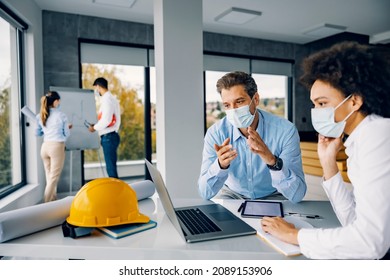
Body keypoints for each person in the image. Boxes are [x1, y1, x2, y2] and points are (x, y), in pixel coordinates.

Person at [261, 41, 390, 259]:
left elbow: (370, 243)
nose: (316, 112)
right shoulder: (359, 138)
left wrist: (295, 235)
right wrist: (328, 163)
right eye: (314, 105)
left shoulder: (377, 134)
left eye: (322, 103)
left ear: (355, 101)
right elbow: (353, 221)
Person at [198, 71, 307, 203]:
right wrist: (220, 166)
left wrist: (272, 161)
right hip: (232, 195)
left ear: (255, 99)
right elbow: (204, 192)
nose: (233, 110)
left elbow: (297, 194)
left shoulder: (285, 131)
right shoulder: (215, 134)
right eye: (227, 105)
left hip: (274, 195)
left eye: (239, 101)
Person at [36, 91, 71, 202]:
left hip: (45, 147)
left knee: (49, 176)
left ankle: (52, 199)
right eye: (59, 101)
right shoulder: (61, 115)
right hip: (56, 147)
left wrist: (47, 129)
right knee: (53, 178)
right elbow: (66, 134)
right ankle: (46, 203)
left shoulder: (40, 115)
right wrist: (68, 128)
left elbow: (38, 133)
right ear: (55, 102)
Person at [88, 77, 121, 178]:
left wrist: (94, 128)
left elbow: (106, 120)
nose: (96, 91)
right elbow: (109, 119)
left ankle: (115, 192)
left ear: (98, 86)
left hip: (108, 137)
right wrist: (97, 125)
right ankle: (116, 191)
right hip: (110, 136)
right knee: (111, 168)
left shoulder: (107, 99)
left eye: (96, 88)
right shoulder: (111, 98)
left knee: (111, 169)